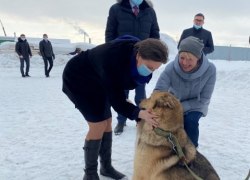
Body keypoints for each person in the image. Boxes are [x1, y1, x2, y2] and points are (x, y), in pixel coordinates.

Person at [62, 37, 168, 180]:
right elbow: (117, 101)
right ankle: (90, 174)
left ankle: (106, 167)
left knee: (107, 121)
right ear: (138, 55)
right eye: (149, 67)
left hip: (99, 80)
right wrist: (138, 113)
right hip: (79, 78)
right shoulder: (113, 59)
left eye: (154, 69)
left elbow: (117, 91)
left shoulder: (136, 54)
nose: (150, 72)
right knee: (98, 124)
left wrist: (134, 110)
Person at [105, 0, 160, 135]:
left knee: (140, 94)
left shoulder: (149, 11)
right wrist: (112, 55)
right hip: (122, 60)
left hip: (143, 61)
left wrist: (153, 55)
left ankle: (140, 119)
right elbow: (110, 34)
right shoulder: (116, 9)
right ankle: (121, 120)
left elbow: (155, 35)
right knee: (121, 94)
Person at [155, 36, 216, 148]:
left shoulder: (210, 70)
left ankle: (192, 153)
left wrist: (179, 107)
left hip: (196, 105)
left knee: (190, 121)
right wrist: (157, 104)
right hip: (174, 102)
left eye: (190, 59)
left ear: (198, 58)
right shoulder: (171, 67)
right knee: (168, 122)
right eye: (182, 58)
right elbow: (159, 90)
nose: (184, 62)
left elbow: (204, 99)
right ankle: (171, 150)